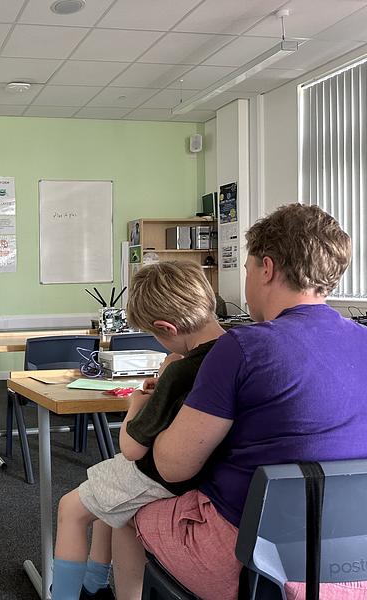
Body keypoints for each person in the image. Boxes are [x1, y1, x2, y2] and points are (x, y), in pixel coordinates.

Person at [112, 204, 367, 600]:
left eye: (246, 270)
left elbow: (173, 467)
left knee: (124, 511)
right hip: (350, 561)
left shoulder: (242, 347)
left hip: (253, 560)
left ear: (267, 268)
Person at [52, 262, 224, 600]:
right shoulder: (233, 349)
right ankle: (94, 584)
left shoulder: (181, 371)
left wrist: (135, 404)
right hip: (207, 469)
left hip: (160, 476)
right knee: (105, 503)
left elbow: (132, 447)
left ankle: (66, 595)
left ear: (165, 327)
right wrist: (166, 372)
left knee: (70, 509)